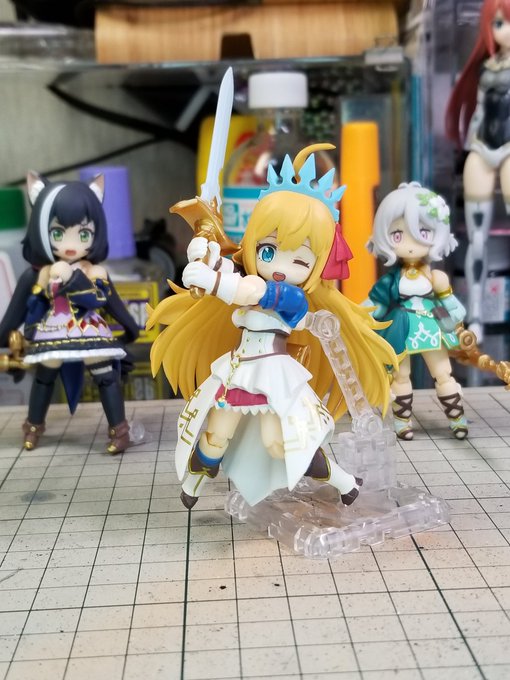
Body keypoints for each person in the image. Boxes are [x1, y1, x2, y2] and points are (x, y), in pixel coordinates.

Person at [147, 146, 396, 509]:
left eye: (299, 260)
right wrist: (205, 252)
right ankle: (193, 487)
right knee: (215, 435)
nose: (280, 267)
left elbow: (250, 291)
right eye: (268, 251)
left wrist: (212, 281)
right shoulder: (247, 274)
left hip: (272, 376)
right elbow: (232, 272)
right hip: (237, 372)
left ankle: (344, 483)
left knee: (280, 443)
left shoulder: (292, 296)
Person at [0, 172, 139, 452]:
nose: (71, 244)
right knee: (44, 376)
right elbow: (17, 309)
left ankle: (119, 430)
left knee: (105, 376)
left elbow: (108, 302)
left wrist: (130, 329)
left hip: (89, 329)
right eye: (58, 233)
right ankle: (33, 427)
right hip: (54, 329)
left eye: (83, 234)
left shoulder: (94, 270)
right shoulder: (41, 273)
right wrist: (4, 337)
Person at [366, 182, 468, 441]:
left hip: (431, 324)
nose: (411, 244)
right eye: (398, 235)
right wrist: (357, 317)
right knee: (400, 376)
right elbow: (375, 305)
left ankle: (457, 419)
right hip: (401, 328)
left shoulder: (435, 277)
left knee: (443, 373)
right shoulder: (392, 280)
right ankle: (403, 422)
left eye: (422, 232)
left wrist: (447, 298)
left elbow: (454, 310)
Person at [445, 0, 510, 341]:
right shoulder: (486, 68)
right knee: (478, 238)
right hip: (483, 147)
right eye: (499, 24)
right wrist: (471, 145)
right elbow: (480, 113)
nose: (505, 31)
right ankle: (475, 316)